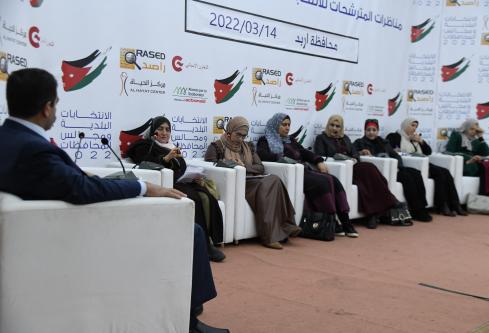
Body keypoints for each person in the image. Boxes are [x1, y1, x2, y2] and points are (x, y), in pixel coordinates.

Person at [0, 68, 229, 333]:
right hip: (90, 231)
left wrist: (86, 176)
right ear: (47, 107)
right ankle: (190, 322)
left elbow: (64, 182)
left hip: (60, 224)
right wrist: (143, 187)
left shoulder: (9, 139)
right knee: (191, 232)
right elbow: (81, 190)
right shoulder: (33, 148)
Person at [126, 116, 226, 262]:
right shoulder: (145, 145)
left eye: (167, 129)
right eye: (160, 129)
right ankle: (202, 245)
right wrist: (166, 159)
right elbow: (145, 162)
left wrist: (192, 176)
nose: (164, 133)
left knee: (207, 196)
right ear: (153, 131)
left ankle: (212, 240)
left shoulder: (172, 147)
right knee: (195, 199)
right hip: (162, 184)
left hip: (179, 181)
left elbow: (181, 168)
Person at [204, 116, 301, 249]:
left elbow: (260, 167)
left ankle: (288, 225)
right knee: (267, 184)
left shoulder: (247, 146)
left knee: (275, 179)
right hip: (237, 185)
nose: (241, 139)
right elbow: (211, 167)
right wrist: (233, 167)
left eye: (244, 136)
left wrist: (244, 166)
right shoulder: (216, 147)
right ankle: (269, 237)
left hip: (252, 180)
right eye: (238, 135)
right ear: (228, 133)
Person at [257, 113, 358, 237]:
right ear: (275, 125)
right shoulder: (265, 140)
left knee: (334, 180)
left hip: (305, 171)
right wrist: (280, 157)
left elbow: (304, 152)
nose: (287, 128)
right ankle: (330, 221)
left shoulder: (290, 140)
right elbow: (262, 155)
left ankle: (346, 221)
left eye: (289, 125)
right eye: (284, 125)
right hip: (294, 175)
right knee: (323, 182)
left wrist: (318, 160)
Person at [314, 115, 399, 228]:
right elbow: (321, 156)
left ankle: (373, 214)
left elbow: (354, 152)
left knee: (369, 170)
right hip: (339, 168)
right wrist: (340, 159)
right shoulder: (322, 138)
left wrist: (354, 157)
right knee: (366, 176)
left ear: (341, 127)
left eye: (338, 126)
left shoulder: (345, 138)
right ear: (328, 125)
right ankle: (387, 203)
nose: (334, 128)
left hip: (352, 166)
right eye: (332, 125)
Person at [353, 119, 432, 222]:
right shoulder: (359, 143)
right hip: (380, 172)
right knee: (407, 178)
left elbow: (395, 155)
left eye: (374, 130)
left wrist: (398, 167)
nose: (371, 132)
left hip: (394, 169)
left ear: (377, 131)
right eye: (368, 130)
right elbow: (354, 154)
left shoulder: (384, 142)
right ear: (364, 131)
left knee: (416, 173)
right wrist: (360, 153)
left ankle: (422, 207)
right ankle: (417, 210)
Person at [386, 118, 467, 216]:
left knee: (446, 172)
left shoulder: (415, 138)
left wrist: (421, 142)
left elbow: (428, 152)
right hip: (410, 164)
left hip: (423, 162)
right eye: (412, 125)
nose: (414, 128)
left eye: (416, 126)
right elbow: (393, 151)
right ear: (405, 125)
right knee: (439, 174)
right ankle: (442, 205)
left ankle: (455, 204)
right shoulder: (394, 136)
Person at [446, 118, 489, 196]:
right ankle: (484, 194)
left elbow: (487, 153)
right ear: (466, 128)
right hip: (462, 163)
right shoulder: (457, 135)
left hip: (474, 163)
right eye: (471, 129)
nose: (473, 131)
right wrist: (468, 158)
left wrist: (480, 137)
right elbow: (450, 151)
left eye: (476, 130)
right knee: (482, 169)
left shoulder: (476, 141)